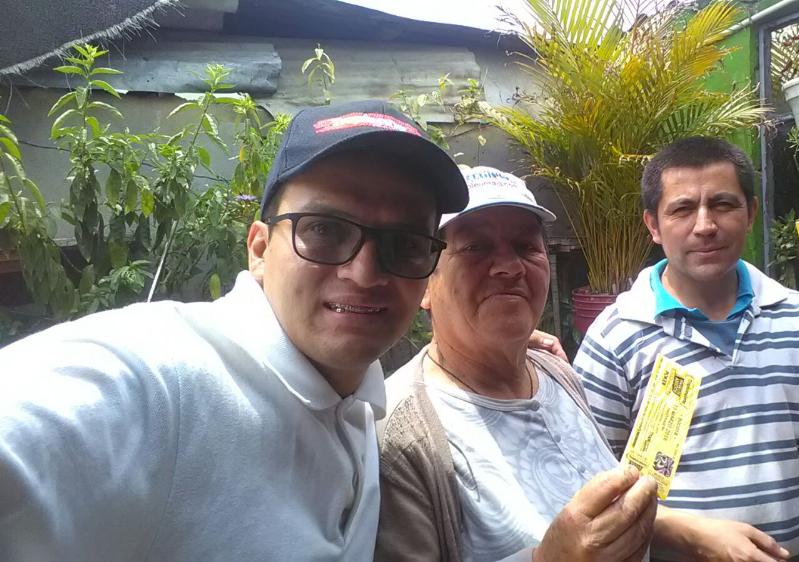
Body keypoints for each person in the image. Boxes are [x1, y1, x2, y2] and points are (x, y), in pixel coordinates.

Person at [0, 100, 470, 560]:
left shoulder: (357, 404)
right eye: (324, 230)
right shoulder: (160, 383)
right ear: (260, 249)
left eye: (404, 243)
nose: (364, 273)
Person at [574, 137, 799, 562]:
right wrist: (689, 535)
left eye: (723, 204)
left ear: (751, 213)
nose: (705, 225)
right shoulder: (616, 335)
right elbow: (582, 488)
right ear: (653, 225)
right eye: (682, 209)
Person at [375, 166, 659, 562]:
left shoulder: (556, 373)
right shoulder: (400, 436)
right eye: (476, 248)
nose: (509, 267)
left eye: (526, 246)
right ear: (425, 282)